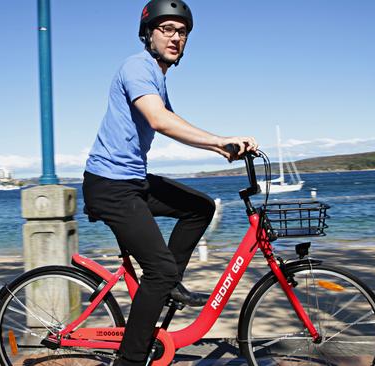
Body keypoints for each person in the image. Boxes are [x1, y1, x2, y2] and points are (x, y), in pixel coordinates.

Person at [82, 0, 257, 364]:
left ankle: (167, 286)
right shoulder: (136, 67)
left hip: (132, 182)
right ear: (148, 34)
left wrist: (225, 147)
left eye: (183, 31)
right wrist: (218, 141)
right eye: (167, 29)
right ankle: (131, 359)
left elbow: (175, 122)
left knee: (200, 207)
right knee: (158, 270)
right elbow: (159, 120)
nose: (176, 37)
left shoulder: (156, 78)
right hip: (109, 186)